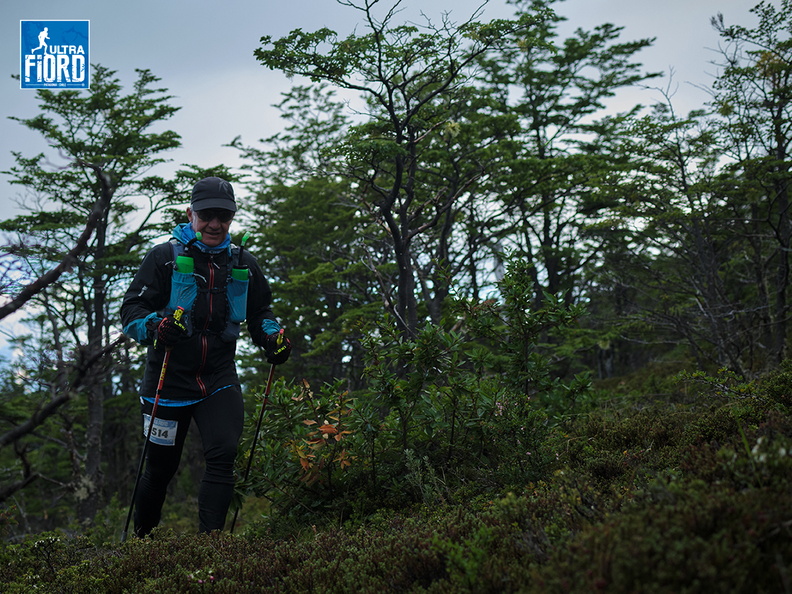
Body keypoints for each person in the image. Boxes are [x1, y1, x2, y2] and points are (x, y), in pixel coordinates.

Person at [120, 176, 291, 536]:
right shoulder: (164, 258)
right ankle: (141, 544)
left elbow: (262, 312)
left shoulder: (243, 262)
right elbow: (131, 310)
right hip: (167, 382)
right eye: (207, 214)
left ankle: (210, 549)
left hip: (218, 377)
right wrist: (156, 327)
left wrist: (272, 338)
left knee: (223, 457)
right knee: (160, 469)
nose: (215, 223)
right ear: (190, 213)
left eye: (224, 216)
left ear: (231, 218)